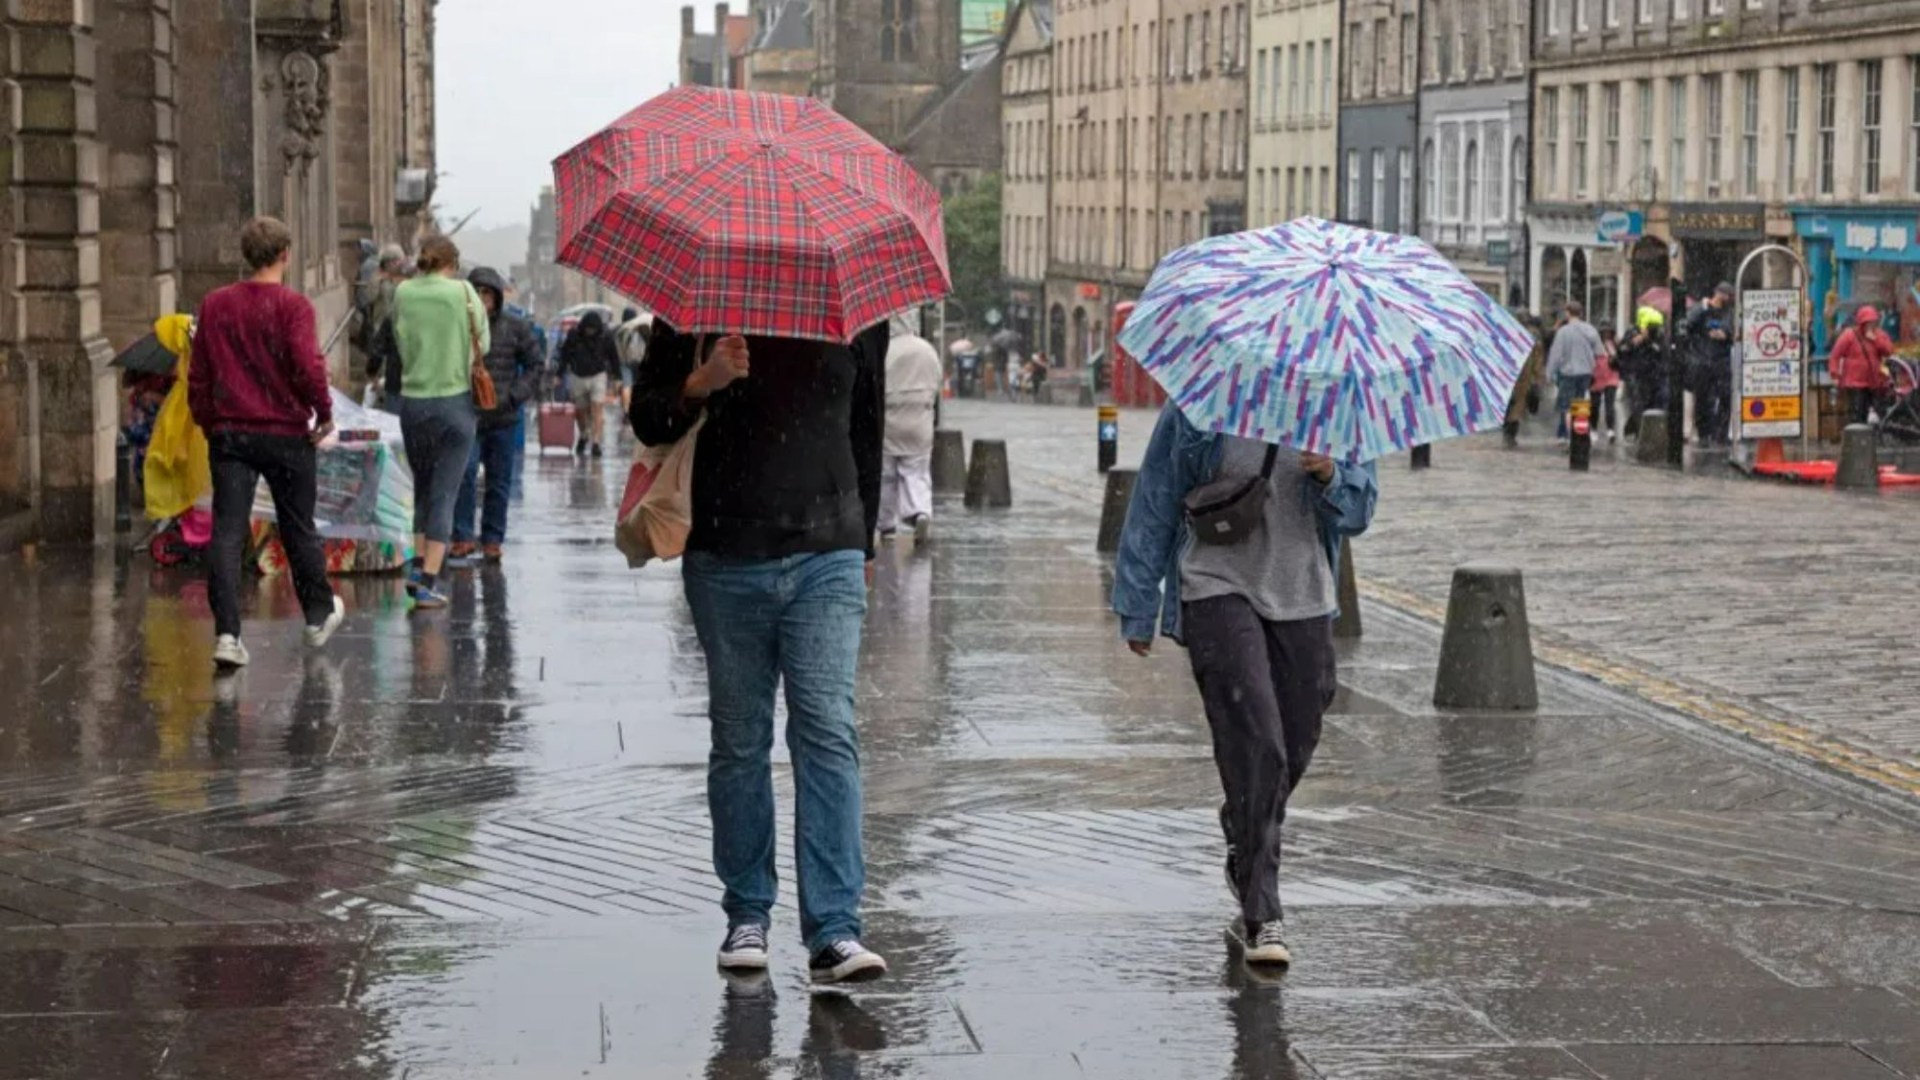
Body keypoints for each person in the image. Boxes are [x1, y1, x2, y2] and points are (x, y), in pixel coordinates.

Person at [631, 319, 891, 986]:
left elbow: (866, 426)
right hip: (725, 555)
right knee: (741, 739)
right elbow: (650, 418)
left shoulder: (852, 310)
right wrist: (703, 381)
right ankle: (747, 912)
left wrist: (861, 539)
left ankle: (834, 928)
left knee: (827, 730)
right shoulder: (695, 305)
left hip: (826, 551)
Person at [1112, 407, 1377, 968]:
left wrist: (1331, 475)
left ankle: (1243, 823)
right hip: (1215, 585)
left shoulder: (1338, 407)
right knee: (1257, 739)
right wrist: (1137, 603)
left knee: (1297, 737)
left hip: (1304, 593)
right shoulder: (1203, 399)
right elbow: (1156, 495)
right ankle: (1263, 910)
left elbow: (1359, 513)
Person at [188, 216, 345, 670]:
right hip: (285, 433)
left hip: (231, 433)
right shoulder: (293, 307)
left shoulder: (216, 304)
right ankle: (317, 613)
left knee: (228, 531)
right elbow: (307, 365)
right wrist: (323, 410)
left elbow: (200, 373)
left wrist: (208, 420)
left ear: (245, 255)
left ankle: (228, 634)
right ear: (286, 255)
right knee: (298, 526)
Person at [392, 235, 486, 609]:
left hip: (413, 404)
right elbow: (485, 343)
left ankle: (417, 567)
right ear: (453, 262)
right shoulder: (462, 293)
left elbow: (400, 343)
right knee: (445, 494)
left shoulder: (403, 294)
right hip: (454, 402)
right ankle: (428, 581)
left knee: (422, 490)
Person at [451, 267, 541, 563]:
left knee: (498, 482)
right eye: (476, 293)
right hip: (468, 415)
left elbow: (535, 364)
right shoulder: (458, 327)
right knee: (464, 477)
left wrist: (514, 396)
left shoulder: (515, 327)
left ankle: (492, 539)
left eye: (487, 293)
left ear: (497, 296)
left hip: (503, 417)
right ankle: (463, 536)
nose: (482, 298)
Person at [880, 315, 942, 544]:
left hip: (891, 420)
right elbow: (936, 381)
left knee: (886, 475)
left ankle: (887, 525)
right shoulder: (926, 350)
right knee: (917, 471)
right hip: (919, 420)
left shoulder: (886, 350)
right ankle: (920, 512)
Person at [558, 311, 622, 458]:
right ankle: (584, 434)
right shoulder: (574, 335)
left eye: (593, 329)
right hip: (577, 375)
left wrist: (617, 377)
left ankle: (596, 443)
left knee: (597, 408)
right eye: (588, 329)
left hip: (598, 375)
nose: (590, 332)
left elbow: (614, 357)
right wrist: (559, 374)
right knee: (580, 412)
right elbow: (565, 354)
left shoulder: (605, 337)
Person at [1545, 300, 1603, 443]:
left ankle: (1571, 437)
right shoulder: (1591, 330)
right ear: (1581, 313)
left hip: (1568, 373)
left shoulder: (1563, 332)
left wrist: (1549, 373)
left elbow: (1556, 355)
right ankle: (1580, 435)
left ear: (1567, 313)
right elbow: (1599, 351)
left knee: (1567, 406)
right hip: (1585, 373)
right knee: (1580, 404)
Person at [360, 245, 410, 411]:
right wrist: (378, 280)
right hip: (381, 328)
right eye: (394, 261)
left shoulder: (405, 281)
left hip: (400, 329)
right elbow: (368, 297)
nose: (397, 264)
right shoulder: (379, 279)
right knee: (384, 369)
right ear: (387, 263)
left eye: (399, 261)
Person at [1686, 283, 1736, 446]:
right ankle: (1704, 432)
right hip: (1702, 360)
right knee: (1703, 398)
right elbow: (1688, 324)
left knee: (1725, 397)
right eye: (1725, 295)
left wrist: (1725, 335)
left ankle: (1720, 433)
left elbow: (1733, 330)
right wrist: (1703, 307)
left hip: (1721, 360)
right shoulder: (1702, 309)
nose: (1727, 299)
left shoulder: (1729, 312)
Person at [1830, 305, 1894, 426]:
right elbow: (1835, 355)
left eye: (1872, 322)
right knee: (1858, 413)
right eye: (1867, 323)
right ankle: (1857, 438)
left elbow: (1889, 351)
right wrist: (1835, 374)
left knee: (1878, 412)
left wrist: (1875, 340)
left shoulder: (1879, 335)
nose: (1870, 325)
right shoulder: (1849, 335)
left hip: (1875, 382)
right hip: (1855, 382)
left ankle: (1875, 437)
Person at [1619, 305, 1667, 438]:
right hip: (1636, 373)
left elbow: (1662, 351)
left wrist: (1650, 341)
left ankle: (1647, 430)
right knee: (1638, 403)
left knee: (1654, 403)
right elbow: (1622, 350)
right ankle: (1637, 430)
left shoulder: (1658, 333)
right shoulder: (1632, 331)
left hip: (1654, 373)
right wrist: (1635, 342)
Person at [1591, 327, 1623, 444]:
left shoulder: (1615, 345)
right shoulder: (1594, 345)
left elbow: (1619, 360)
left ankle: (1610, 430)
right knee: (1594, 405)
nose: (1606, 335)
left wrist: (1614, 351)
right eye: (1604, 333)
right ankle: (1593, 429)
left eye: (1608, 333)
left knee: (1610, 405)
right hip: (1596, 377)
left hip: (1611, 377)